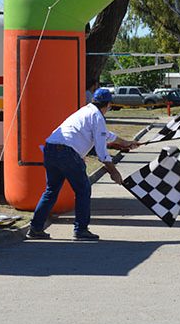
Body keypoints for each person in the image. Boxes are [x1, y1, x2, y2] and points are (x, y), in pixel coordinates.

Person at [26, 88, 140, 240]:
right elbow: (101, 152)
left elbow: (106, 135)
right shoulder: (98, 117)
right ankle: (81, 230)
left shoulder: (85, 111)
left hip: (50, 148)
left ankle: (35, 228)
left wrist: (126, 143)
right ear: (108, 104)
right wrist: (114, 172)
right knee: (83, 190)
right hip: (67, 152)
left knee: (51, 190)